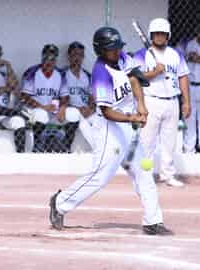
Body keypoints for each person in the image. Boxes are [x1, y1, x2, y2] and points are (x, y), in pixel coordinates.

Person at [49, 27, 173, 236]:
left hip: (128, 125)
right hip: (110, 128)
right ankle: (60, 203)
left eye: (118, 47)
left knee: (143, 172)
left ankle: (153, 221)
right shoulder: (100, 74)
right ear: (100, 51)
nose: (117, 51)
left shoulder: (123, 58)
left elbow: (134, 79)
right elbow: (107, 112)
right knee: (101, 176)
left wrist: (141, 106)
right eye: (111, 49)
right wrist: (132, 117)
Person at [133, 18, 190, 187]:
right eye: (156, 34)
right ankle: (144, 175)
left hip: (172, 101)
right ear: (151, 35)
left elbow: (183, 76)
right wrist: (154, 72)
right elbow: (136, 78)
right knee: (147, 142)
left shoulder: (176, 54)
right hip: (151, 101)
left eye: (162, 34)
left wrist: (186, 102)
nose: (159, 37)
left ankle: (167, 175)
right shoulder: (141, 54)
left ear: (168, 35)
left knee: (169, 142)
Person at [20, 44, 69, 152]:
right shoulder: (32, 72)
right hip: (32, 109)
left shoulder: (60, 73)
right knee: (41, 115)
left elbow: (65, 96)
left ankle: (67, 146)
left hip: (51, 109)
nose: (49, 61)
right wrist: (42, 107)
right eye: (46, 57)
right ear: (42, 57)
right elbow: (25, 96)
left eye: (52, 58)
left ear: (56, 59)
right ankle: (38, 145)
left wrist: (62, 108)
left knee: (73, 114)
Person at [59, 41, 95, 150]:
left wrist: (90, 109)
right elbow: (60, 99)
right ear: (69, 56)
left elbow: (92, 98)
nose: (77, 58)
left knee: (99, 120)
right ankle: (97, 148)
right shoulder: (62, 74)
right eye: (74, 54)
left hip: (86, 110)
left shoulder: (87, 75)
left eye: (80, 55)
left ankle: (105, 148)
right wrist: (78, 108)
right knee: (77, 117)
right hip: (69, 110)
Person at [183, 25, 200, 153]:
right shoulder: (190, 44)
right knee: (190, 118)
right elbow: (185, 59)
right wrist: (190, 57)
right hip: (191, 85)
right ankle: (189, 148)